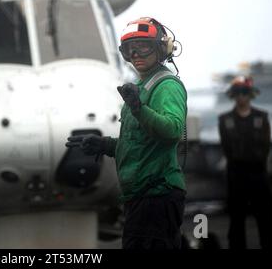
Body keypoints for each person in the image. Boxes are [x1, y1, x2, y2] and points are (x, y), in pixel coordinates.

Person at [66, 17, 187, 249]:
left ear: (162, 48)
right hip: (142, 197)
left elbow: (172, 130)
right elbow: (140, 142)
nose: (136, 54)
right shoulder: (141, 86)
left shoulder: (166, 85)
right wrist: (105, 145)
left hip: (157, 195)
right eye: (130, 49)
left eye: (143, 46)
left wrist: (139, 108)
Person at [218, 76, 272, 249]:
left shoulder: (262, 117)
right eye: (237, 93)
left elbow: (265, 147)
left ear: (250, 94)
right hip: (236, 174)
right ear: (233, 95)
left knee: (266, 220)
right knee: (236, 221)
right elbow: (227, 148)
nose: (241, 96)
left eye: (244, 92)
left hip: (258, 173)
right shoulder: (224, 119)